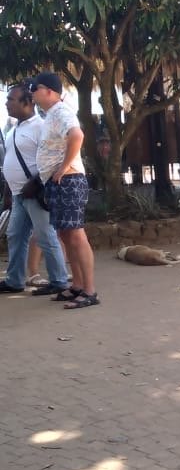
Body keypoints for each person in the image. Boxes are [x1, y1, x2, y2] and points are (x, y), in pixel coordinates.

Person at [29, 72, 98, 309]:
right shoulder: (51, 114)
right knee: (66, 235)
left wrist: (63, 167)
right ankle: (77, 285)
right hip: (60, 182)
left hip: (68, 181)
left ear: (49, 91)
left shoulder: (60, 112)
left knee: (76, 235)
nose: (32, 93)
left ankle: (90, 291)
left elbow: (77, 135)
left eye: (35, 89)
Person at [0, 84, 70, 297]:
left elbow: (54, 158)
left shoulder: (41, 127)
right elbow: (11, 161)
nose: (6, 103)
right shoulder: (13, 130)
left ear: (27, 103)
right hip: (18, 194)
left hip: (35, 193)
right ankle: (14, 280)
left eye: (11, 99)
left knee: (46, 236)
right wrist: (8, 194)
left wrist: (37, 182)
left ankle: (59, 281)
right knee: (15, 236)